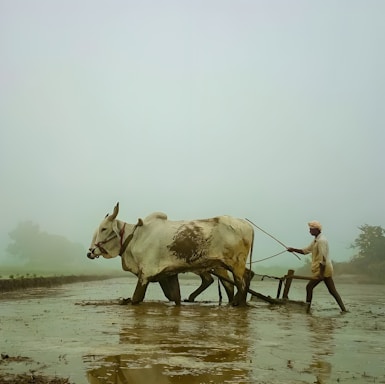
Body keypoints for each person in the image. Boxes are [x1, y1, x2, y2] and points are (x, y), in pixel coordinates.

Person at [287, 221, 347, 313]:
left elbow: (323, 258)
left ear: (317, 230)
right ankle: (344, 310)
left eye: (311, 229)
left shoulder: (321, 241)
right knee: (332, 291)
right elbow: (305, 251)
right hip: (323, 268)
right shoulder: (316, 240)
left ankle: (307, 309)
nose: (309, 231)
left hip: (323, 269)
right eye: (309, 229)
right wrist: (293, 249)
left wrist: (321, 274)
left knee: (309, 287)